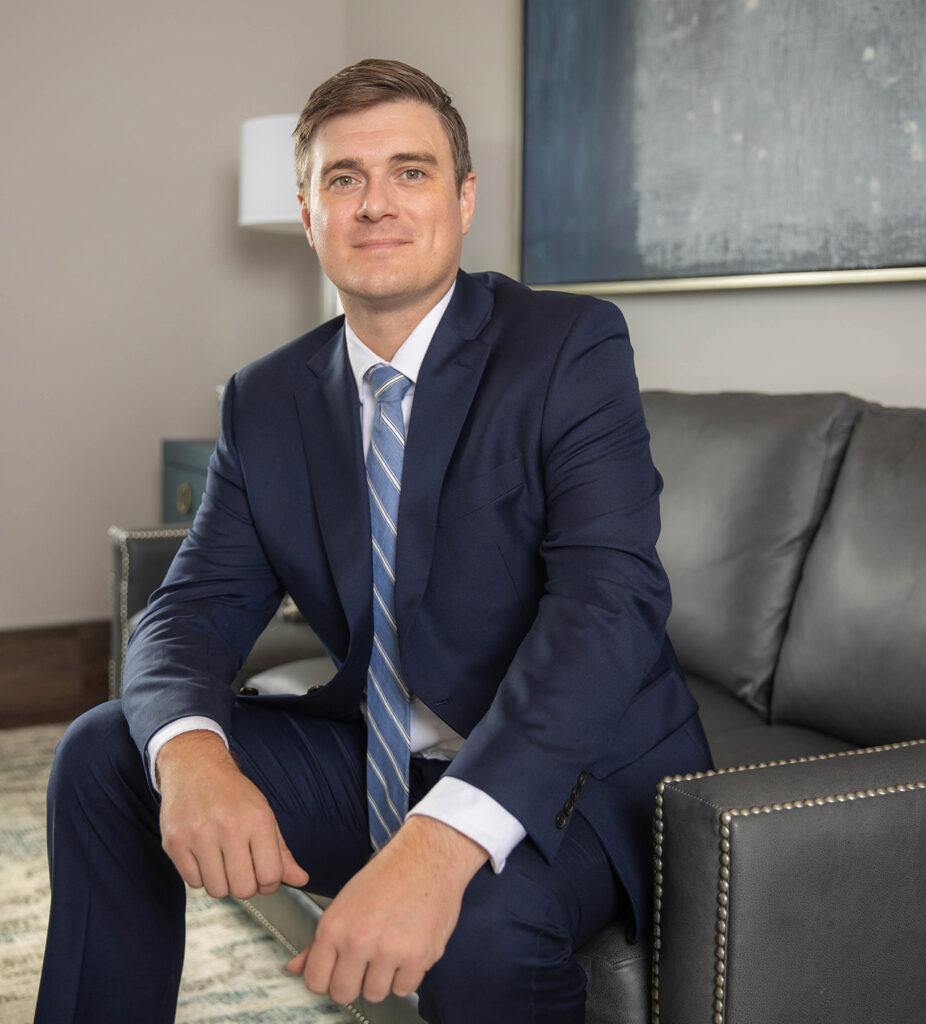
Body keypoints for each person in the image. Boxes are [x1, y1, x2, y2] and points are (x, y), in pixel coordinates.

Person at [35, 58, 711, 1023]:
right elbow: (191, 607)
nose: (376, 203)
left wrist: (442, 842)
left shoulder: (569, 348)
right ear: (308, 213)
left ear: (465, 198)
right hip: (377, 756)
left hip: (577, 772)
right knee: (107, 753)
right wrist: (192, 754)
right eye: (343, 179)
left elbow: (610, 608)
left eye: (412, 171)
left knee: (480, 925)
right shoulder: (265, 398)